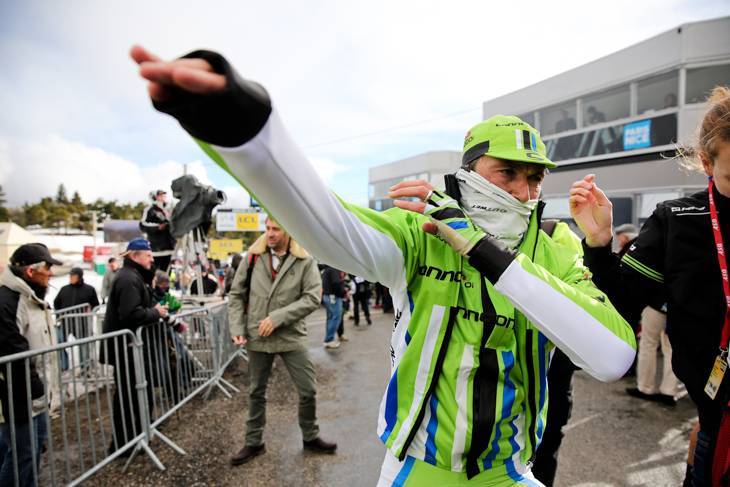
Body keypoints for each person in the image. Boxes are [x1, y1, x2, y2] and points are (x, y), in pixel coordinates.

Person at [132, 46, 634, 486]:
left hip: (510, 470)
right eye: (507, 174)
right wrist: (242, 126)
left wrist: (484, 248)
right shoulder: (419, 231)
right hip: (415, 466)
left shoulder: (558, 244)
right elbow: (329, 226)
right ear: (469, 174)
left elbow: (611, 359)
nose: (524, 193)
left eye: (535, 180)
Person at [568, 86, 730, 487]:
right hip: (720, 424)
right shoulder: (678, 220)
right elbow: (620, 305)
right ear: (707, 163)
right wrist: (599, 243)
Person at [227, 216, 336, 466]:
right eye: (267, 229)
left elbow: (311, 298)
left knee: (308, 389)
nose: (269, 234)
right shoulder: (253, 257)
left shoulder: (305, 260)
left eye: (275, 229)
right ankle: (254, 442)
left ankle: (310, 436)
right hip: (258, 336)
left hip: (291, 335)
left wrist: (277, 317)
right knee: (256, 392)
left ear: (288, 231)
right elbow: (236, 295)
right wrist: (236, 327)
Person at [100, 238, 169, 456]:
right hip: (125, 348)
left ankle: (139, 432)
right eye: (148, 256)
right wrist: (155, 313)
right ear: (134, 256)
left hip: (132, 347)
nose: (151, 259)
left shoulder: (135, 276)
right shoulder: (128, 279)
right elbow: (130, 313)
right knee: (127, 395)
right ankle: (124, 443)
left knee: (139, 390)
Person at [0, 243, 61, 487]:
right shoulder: (9, 301)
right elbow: (12, 350)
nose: (51, 273)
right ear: (30, 271)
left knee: (34, 451)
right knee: (21, 456)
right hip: (17, 396)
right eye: (47, 268)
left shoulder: (33, 297)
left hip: (37, 394)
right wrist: (35, 387)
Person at [53, 267, 99, 371]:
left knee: (84, 346)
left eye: (73, 276)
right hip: (65, 323)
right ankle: (63, 366)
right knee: (58, 342)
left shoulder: (89, 289)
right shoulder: (64, 289)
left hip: (82, 324)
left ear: (79, 277)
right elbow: (56, 303)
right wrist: (59, 315)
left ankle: (85, 367)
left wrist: (88, 314)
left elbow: (95, 305)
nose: (70, 277)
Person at [140, 189, 176, 273]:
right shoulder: (150, 210)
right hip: (157, 249)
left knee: (167, 274)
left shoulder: (168, 211)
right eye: (161, 195)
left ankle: (166, 286)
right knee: (154, 274)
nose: (164, 196)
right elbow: (142, 224)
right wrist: (157, 227)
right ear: (155, 197)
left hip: (169, 248)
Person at [321, 264, 346, 349]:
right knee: (336, 318)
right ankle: (329, 340)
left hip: (328, 295)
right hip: (334, 296)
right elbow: (336, 283)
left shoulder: (327, 269)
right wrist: (342, 293)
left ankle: (328, 339)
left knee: (331, 318)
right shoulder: (334, 269)